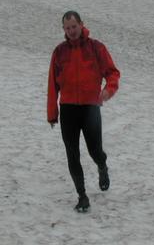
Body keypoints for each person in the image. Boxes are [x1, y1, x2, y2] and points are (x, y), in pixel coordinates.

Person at [47, 11, 121, 212]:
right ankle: (82, 196)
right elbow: (53, 85)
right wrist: (52, 113)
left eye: (74, 26)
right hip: (69, 109)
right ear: (64, 29)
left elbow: (112, 73)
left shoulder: (96, 48)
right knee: (72, 154)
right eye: (67, 28)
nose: (71, 31)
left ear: (81, 25)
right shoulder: (59, 52)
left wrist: (108, 90)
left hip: (90, 108)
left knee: (95, 150)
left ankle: (102, 166)